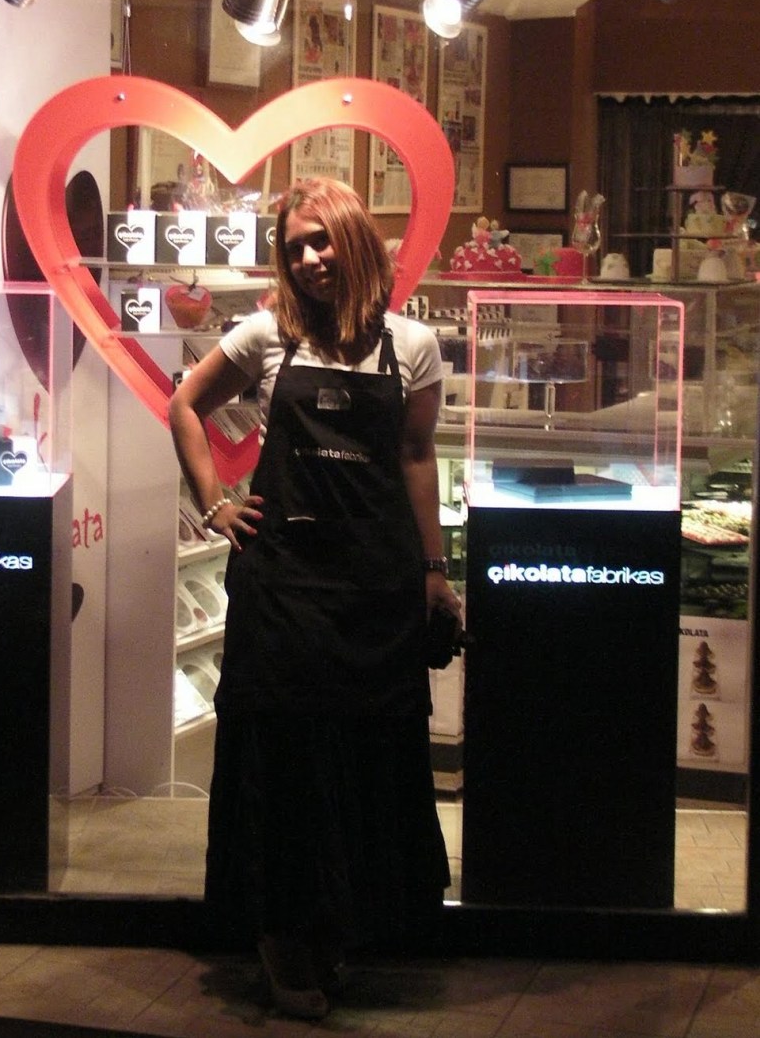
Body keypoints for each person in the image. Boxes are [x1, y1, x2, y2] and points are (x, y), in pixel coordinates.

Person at [168, 177, 463, 1020]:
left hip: (374, 583)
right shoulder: (265, 335)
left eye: (321, 240)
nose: (308, 258)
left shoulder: (413, 345)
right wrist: (214, 503)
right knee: (285, 762)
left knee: (365, 759)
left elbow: (415, 457)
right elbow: (184, 405)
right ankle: (280, 938)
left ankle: (338, 928)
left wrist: (433, 569)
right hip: (285, 583)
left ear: (355, 241)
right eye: (295, 247)